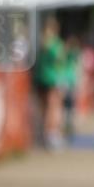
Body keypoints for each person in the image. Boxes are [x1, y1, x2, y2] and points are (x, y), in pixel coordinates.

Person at [33, 16, 66, 151]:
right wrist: (61, 80)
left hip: (41, 78)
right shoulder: (56, 44)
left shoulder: (41, 43)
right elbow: (60, 62)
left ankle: (43, 134)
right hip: (52, 79)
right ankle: (51, 135)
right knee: (53, 107)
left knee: (44, 108)